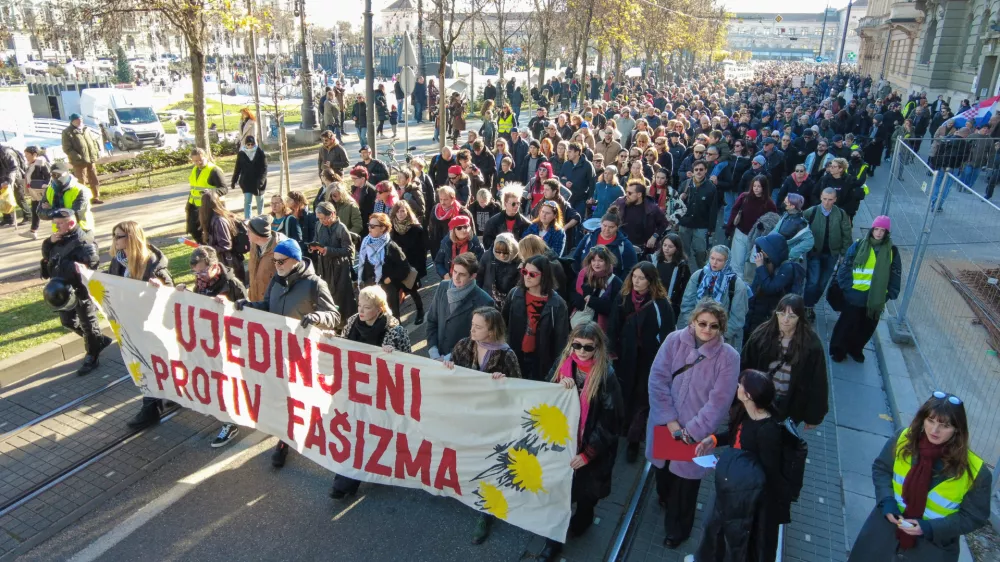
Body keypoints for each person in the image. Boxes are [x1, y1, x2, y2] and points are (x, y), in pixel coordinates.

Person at [847, 392, 992, 562]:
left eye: (944, 426)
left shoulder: (976, 472)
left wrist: (928, 527)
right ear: (922, 419)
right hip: (885, 532)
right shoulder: (903, 438)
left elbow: (973, 517)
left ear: (957, 429)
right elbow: (882, 469)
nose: (934, 430)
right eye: (930, 421)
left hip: (932, 548)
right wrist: (887, 501)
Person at [237, 239, 340, 467]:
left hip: (304, 354)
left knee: (302, 397)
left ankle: (315, 430)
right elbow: (267, 306)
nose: (277, 266)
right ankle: (285, 439)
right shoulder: (276, 280)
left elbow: (334, 315)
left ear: (295, 260)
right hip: (279, 350)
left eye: (281, 261)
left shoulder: (314, 284)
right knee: (283, 397)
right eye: (274, 262)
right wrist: (249, 306)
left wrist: (317, 318)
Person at [646, 299, 739, 548]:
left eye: (714, 326)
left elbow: (719, 401)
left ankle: (678, 530)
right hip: (665, 425)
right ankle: (665, 500)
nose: (707, 330)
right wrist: (669, 420)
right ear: (693, 321)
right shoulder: (673, 340)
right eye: (702, 323)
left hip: (694, 433)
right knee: (663, 474)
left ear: (722, 328)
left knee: (686, 486)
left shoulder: (729, 357)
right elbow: (657, 379)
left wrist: (692, 430)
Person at [536, 322, 624, 562]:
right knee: (559, 496)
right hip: (563, 446)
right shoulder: (563, 365)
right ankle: (553, 542)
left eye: (588, 347)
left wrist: (588, 453)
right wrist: (557, 387)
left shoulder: (606, 376)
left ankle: (582, 521)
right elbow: (544, 395)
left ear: (598, 348)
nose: (582, 352)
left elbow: (610, 422)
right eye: (577, 345)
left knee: (586, 496)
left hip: (591, 452)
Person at [442, 306, 523, 544]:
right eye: (472, 325)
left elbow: (519, 393)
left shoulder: (507, 355)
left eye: (478, 327)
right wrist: (447, 368)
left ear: (492, 330)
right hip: (466, 418)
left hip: (492, 423)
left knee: (489, 465)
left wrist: (504, 384)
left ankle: (485, 512)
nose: (472, 330)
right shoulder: (464, 345)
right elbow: (450, 373)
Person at [693, 370, 791, 562]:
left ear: (748, 396)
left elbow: (767, 472)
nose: (737, 387)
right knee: (713, 526)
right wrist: (713, 439)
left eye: (740, 385)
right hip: (732, 484)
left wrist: (730, 468)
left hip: (744, 497)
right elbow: (734, 436)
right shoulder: (747, 413)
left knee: (726, 535)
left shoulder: (768, 431)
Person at [329, 286, 413, 500]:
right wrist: (331, 339)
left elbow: (410, 363)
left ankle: (367, 473)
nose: (361, 311)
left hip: (381, 395)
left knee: (371, 435)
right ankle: (344, 482)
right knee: (355, 434)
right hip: (355, 390)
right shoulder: (352, 322)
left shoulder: (394, 331)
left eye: (367, 307)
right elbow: (342, 344)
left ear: (380, 308)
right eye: (359, 305)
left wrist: (393, 357)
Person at [108, 221, 173, 430]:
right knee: (145, 364)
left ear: (131, 238)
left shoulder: (152, 264)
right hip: (130, 322)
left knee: (149, 365)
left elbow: (170, 295)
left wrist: (160, 288)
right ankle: (163, 397)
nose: (115, 240)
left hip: (150, 325)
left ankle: (151, 408)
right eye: (114, 236)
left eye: (118, 236)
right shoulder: (119, 260)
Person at [609, 261, 675, 462]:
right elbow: (613, 326)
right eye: (634, 277)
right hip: (625, 357)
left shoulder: (661, 304)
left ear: (651, 280)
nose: (636, 282)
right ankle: (619, 430)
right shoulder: (623, 297)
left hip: (649, 359)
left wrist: (664, 362)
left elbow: (667, 334)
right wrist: (612, 351)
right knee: (622, 394)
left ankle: (634, 440)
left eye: (641, 278)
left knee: (642, 399)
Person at [742, 293, 828, 428]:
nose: (785, 320)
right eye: (781, 314)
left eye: (792, 316)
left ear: (800, 318)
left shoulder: (811, 344)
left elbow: (818, 382)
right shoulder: (762, 334)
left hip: (790, 405)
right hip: (760, 399)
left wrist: (813, 417)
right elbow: (744, 366)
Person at [830, 215, 902, 363]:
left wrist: (889, 293)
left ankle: (855, 350)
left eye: (883, 230)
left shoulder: (892, 251)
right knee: (846, 325)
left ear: (887, 233)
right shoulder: (858, 245)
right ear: (872, 230)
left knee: (866, 328)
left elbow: (895, 273)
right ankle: (839, 350)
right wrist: (847, 287)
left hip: (876, 298)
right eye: (876, 229)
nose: (879, 233)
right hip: (855, 294)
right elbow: (846, 267)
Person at [503, 254, 570, 381]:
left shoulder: (558, 304)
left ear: (544, 276)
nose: (527, 276)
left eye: (532, 274)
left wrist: (557, 369)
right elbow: (503, 324)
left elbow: (561, 341)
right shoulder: (514, 294)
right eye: (524, 272)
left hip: (542, 360)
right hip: (515, 354)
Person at [678, 245, 750, 351]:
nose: (714, 263)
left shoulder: (736, 284)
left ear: (727, 261)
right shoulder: (699, 275)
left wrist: (717, 335)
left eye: (719, 260)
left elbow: (738, 317)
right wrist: (694, 327)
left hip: (723, 338)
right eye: (712, 258)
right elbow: (687, 304)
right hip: (696, 333)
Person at [427, 252, 495, 360]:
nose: (456, 277)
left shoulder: (485, 301)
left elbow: (479, 340)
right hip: (437, 357)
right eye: (455, 272)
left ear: (473, 276)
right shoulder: (442, 287)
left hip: (461, 363)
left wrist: (449, 358)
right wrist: (433, 351)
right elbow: (432, 321)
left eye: (462, 274)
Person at [803, 187, 853, 314]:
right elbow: (800, 227)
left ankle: (811, 304)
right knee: (813, 281)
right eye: (824, 199)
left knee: (823, 283)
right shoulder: (812, 211)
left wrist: (844, 254)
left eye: (830, 200)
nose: (826, 202)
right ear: (821, 197)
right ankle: (807, 306)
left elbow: (846, 235)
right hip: (814, 252)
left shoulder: (841, 214)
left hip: (832, 254)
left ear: (835, 200)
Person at [745, 233, 803, 337]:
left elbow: (770, 288)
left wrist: (760, 268)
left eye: (765, 249)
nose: (761, 252)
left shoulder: (786, 268)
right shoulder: (766, 263)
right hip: (756, 313)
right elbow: (755, 289)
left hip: (771, 316)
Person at [312, 202, 356, 331]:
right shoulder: (318, 225)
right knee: (328, 296)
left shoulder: (341, 229)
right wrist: (314, 247)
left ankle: (346, 325)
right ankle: (334, 324)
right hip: (324, 267)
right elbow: (316, 239)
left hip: (340, 269)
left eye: (323, 218)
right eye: (319, 218)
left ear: (332, 214)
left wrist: (328, 250)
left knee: (341, 298)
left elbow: (348, 250)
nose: (322, 221)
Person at [357, 211, 410, 319]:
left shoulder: (391, 246)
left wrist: (390, 278)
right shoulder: (366, 242)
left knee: (390, 319)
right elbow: (362, 264)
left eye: (373, 226)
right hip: (370, 289)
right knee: (372, 319)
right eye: (369, 225)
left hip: (387, 291)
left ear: (382, 228)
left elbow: (405, 268)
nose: (369, 228)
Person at [726, 174, 776, 281]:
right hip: (741, 233)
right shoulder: (744, 197)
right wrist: (729, 228)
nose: (756, 189)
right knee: (736, 263)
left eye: (759, 186)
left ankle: (747, 289)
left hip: (756, 239)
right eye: (754, 186)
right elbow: (734, 211)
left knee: (750, 265)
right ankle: (734, 285)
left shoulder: (769, 203)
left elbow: (773, 221)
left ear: (764, 187)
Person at [572, 206, 637, 277]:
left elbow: (631, 268)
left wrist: (618, 284)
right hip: (586, 279)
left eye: (611, 227)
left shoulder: (624, 245)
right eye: (604, 226)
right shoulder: (589, 238)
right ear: (600, 224)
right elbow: (576, 257)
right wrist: (579, 277)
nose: (607, 229)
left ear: (617, 227)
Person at [390, 200, 427, 324]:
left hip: (412, 266)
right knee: (394, 293)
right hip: (397, 266)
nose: (400, 214)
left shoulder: (416, 228)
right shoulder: (392, 229)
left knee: (412, 290)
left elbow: (422, 251)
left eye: (403, 211)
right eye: (398, 212)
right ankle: (396, 320)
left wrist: (418, 270)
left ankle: (420, 311)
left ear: (407, 212)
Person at [571, 244, 622, 332]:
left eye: (600, 260)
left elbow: (615, 309)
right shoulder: (584, 275)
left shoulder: (615, 282)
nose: (596, 264)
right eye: (593, 260)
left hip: (603, 329)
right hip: (580, 325)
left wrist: (592, 301)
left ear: (607, 261)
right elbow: (573, 296)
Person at [676, 158, 717, 269]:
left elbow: (713, 210)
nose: (698, 171)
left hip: (701, 225)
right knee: (683, 254)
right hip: (685, 224)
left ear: (705, 171)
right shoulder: (685, 184)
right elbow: (675, 204)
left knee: (701, 253)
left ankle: (702, 275)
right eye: (696, 169)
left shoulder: (711, 188)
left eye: (701, 169)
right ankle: (683, 275)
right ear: (693, 171)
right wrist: (680, 198)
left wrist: (711, 229)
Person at [612, 179, 669, 256]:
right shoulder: (620, 202)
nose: (626, 195)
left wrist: (654, 236)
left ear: (639, 194)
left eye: (630, 193)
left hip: (643, 249)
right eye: (626, 192)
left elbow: (664, 223)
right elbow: (609, 214)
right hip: (622, 244)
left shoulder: (652, 208)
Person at [200, 191, 245, 284]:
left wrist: (208, 250)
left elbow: (226, 245)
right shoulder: (212, 220)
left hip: (229, 264)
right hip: (222, 263)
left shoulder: (219, 221)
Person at [184, 148, 228, 243]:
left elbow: (224, 189)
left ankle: (209, 247)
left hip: (209, 207)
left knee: (209, 231)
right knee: (193, 229)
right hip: (195, 205)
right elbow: (194, 188)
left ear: (206, 157)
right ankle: (202, 245)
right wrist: (188, 205)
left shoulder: (214, 170)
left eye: (201, 159)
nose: (199, 162)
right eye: (196, 161)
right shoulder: (195, 170)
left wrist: (211, 192)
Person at [60, 113, 103, 204]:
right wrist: (78, 157)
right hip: (78, 161)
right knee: (81, 180)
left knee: (93, 178)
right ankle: (82, 199)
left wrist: (95, 152)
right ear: (73, 121)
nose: (80, 121)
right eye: (77, 120)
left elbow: (93, 142)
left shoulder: (86, 129)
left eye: (81, 119)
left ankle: (95, 197)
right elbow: (67, 148)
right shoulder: (67, 132)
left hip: (91, 158)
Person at [39, 162, 93, 233]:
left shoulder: (81, 190)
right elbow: (40, 212)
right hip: (58, 231)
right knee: (47, 243)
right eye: (53, 175)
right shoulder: (49, 190)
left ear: (67, 173)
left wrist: (51, 211)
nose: (56, 177)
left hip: (81, 230)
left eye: (59, 174)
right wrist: (63, 212)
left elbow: (76, 215)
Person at [651, 232, 691, 319]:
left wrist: (678, 304)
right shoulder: (655, 260)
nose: (666, 248)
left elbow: (685, 287)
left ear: (677, 248)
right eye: (664, 245)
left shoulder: (682, 266)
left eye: (670, 246)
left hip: (671, 304)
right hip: (652, 300)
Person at [478, 232, 521, 310]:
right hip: (488, 299)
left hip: (509, 302)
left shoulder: (519, 260)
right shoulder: (487, 256)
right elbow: (479, 277)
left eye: (505, 252)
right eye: (498, 252)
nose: (501, 255)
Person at [435, 214, 486, 279]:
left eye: (465, 227)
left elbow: (482, 264)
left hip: (470, 280)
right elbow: (438, 262)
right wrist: (445, 274)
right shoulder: (446, 243)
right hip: (451, 279)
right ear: (453, 231)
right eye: (459, 228)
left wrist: (474, 275)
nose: (463, 230)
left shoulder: (476, 244)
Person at [482, 185, 532, 250]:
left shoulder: (526, 224)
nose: (516, 206)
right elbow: (487, 242)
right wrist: (500, 248)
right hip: (498, 255)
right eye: (513, 204)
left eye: (518, 203)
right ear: (505, 204)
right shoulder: (492, 222)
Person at [231, 135, 267, 219]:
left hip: (258, 182)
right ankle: (248, 219)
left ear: (254, 144)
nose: (250, 146)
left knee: (260, 201)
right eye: (248, 144)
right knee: (247, 201)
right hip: (246, 182)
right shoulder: (241, 153)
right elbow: (237, 168)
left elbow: (264, 168)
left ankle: (260, 218)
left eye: (252, 144)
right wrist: (234, 180)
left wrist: (261, 181)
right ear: (245, 144)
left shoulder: (260, 152)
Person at [20, 146, 51, 239]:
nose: (26, 156)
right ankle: (33, 231)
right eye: (25, 154)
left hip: (41, 192)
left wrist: (45, 186)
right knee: (35, 211)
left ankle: (64, 228)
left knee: (50, 210)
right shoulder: (30, 164)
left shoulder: (41, 163)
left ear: (34, 154)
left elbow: (49, 176)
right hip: (35, 193)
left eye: (27, 154)